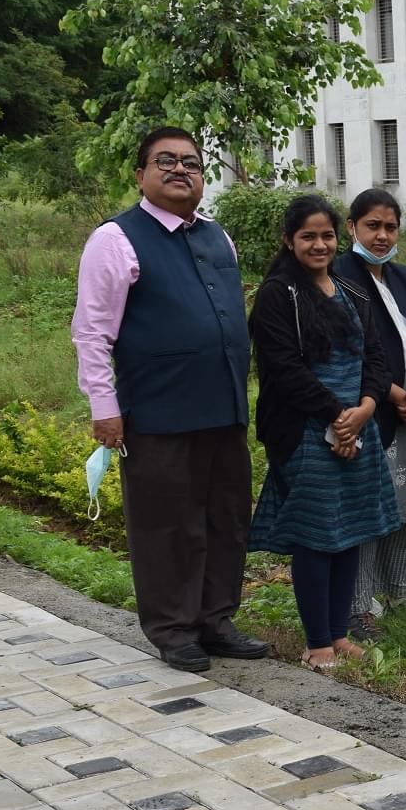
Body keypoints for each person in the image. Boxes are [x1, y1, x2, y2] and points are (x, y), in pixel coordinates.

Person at [70, 126, 268, 673]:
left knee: (226, 519)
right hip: (158, 412)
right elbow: (92, 332)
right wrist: (103, 407)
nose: (181, 170)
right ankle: (174, 629)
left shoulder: (216, 236)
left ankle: (216, 620)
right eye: (167, 161)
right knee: (167, 524)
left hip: (223, 408)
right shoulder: (116, 239)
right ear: (141, 175)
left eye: (192, 162)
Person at [248, 195, 400, 672]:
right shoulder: (278, 295)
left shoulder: (350, 291)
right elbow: (285, 369)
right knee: (316, 534)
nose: (319, 244)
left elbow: (375, 358)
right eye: (308, 236)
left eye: (327, 236)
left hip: (358, 422)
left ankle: (338, 633)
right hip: (305, 430)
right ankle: (316, 643)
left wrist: (367, 409)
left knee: (349, 528)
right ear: (289, 241)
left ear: (339, 237)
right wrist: (338, 416)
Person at [332, 189, 406, 641]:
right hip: (374, 405)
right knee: (368, 505)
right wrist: (394, 392)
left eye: (390, 227)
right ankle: (358, 607)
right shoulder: (340, 274)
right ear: (351, 227)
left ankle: (401, 594)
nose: (381, 236)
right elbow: (348, 348)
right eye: (372, 226)